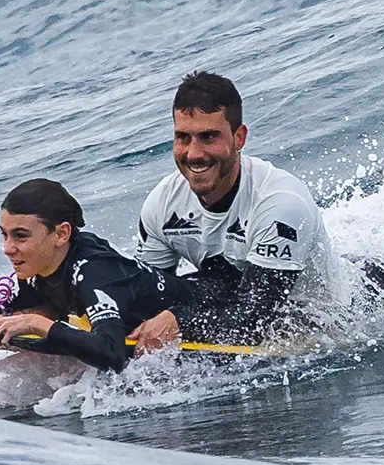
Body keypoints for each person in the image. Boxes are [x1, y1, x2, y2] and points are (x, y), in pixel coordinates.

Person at [127, 70, 331, 349]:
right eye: (183, 137)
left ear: (239, 138)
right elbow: (148, 295)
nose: (194, 153)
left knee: (288, 323)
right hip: (236, 294)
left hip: (323, 316)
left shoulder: (280, 203)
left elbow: (258, 321)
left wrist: (179, 322)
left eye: (209, 137)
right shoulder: (162, 202)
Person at [0, 178, 173, 372]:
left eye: (21, 236)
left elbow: (112, 353)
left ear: (61, 234)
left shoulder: (93, 272)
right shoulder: (40, 265)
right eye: (4, 234)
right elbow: (22, 301)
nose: (8, 249)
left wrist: (37, 324)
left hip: (196, 309)